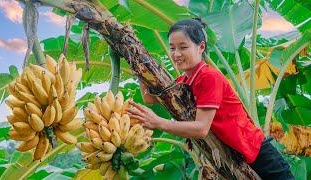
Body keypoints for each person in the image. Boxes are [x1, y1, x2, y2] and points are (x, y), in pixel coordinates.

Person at [126, 18, 294, 179]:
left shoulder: (208, 77)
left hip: (260, 156)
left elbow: (201, 128)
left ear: (201, 47)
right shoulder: (184, 81)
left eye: (183, 47)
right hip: (237, 159)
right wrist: (140, 69)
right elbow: (150, 98)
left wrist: (158, 122)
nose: (176, 54)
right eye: (172, 48)